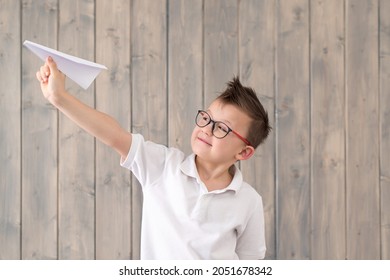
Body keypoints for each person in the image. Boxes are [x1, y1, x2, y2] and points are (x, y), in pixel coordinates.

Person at [36, 56, 271, 260]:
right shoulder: (162, 166)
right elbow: (114, 135)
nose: (207, 129)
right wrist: (59, 97)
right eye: (206, 118)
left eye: (222, 128)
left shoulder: (249, 201)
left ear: (244, 152)